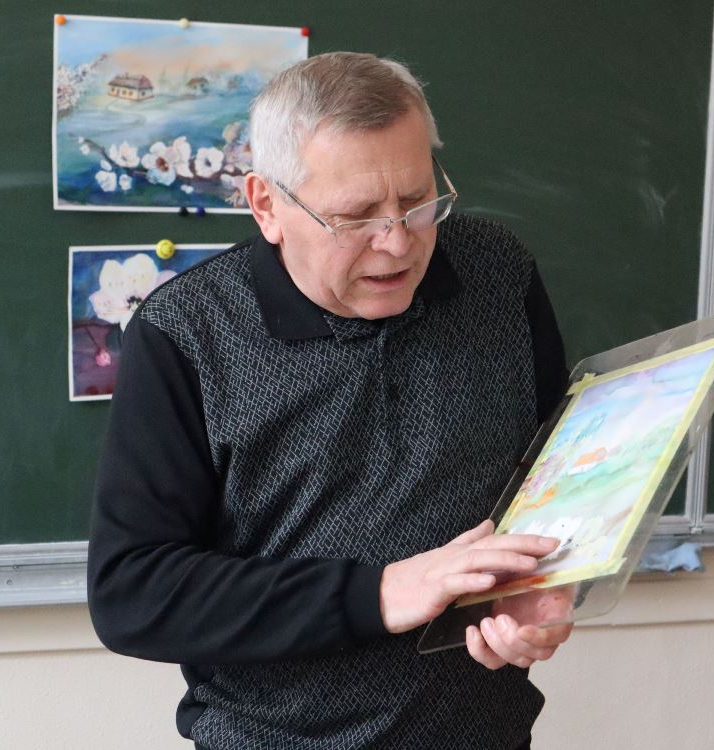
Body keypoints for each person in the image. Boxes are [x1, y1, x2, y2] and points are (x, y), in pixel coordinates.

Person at [88, 51, 572, 749]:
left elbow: (557, 478)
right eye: (355, 217)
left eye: (417, 201)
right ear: (266, 205)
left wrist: (546, 590)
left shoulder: (499, 274)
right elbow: (134, 593)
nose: (397, 244)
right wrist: (380, 593)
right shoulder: (186, 333)